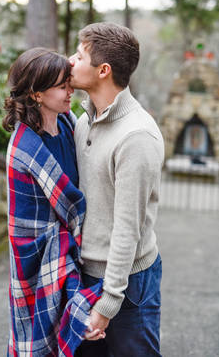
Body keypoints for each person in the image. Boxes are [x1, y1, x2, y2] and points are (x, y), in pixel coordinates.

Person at [69, 23, 165, 357]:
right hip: (84, 277)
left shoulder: (137, 137)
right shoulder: (84, 119)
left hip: (129, 285)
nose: (70, 61)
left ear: (103, 70)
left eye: (79, 56)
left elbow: (128, 229)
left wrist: (108, 303)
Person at [2, 47, 104, 357]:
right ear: (36, 94)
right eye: (63, 86)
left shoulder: (70, 124)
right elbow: (39, 232)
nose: (71, 91)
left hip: (71, 247)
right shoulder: (24, 148)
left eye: (69, 83)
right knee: (37, 339)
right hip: (38, 256)